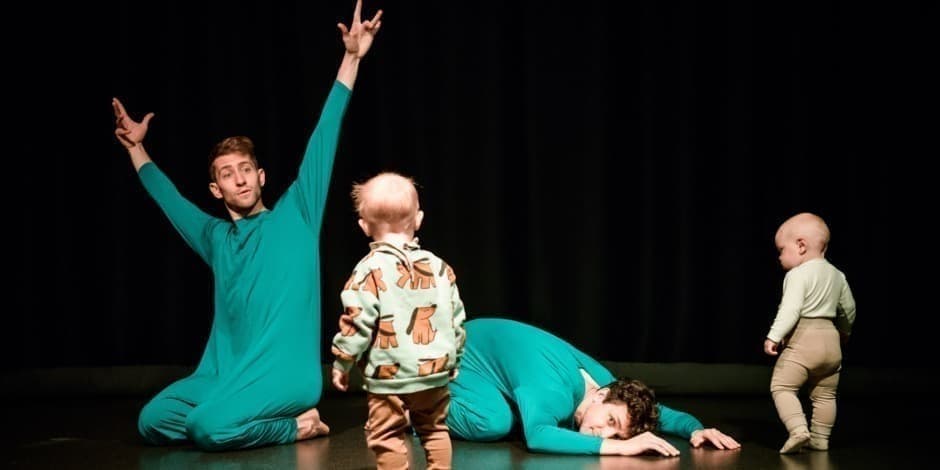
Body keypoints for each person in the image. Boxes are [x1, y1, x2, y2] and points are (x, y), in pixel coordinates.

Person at [111, 0, 382, 451]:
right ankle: (235, 417)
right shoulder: (215, 238)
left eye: (245, 169)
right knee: (152, 420)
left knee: (205, 427)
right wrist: (135, 149)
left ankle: (297, 426)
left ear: (261, 176)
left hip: (285, 376)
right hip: (223, 376)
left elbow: (325, 134)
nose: (238, 178)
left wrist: (351, 58)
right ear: (215, 188)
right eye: (227, 173)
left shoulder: (297, 214)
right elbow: (169, 200)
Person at [446, 318, 741, 456]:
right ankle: (419, 402)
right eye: (611, 422)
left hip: (495, 365)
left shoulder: (610, 388)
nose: (606, 432)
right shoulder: (554, 390)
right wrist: (621, 447)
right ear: (600, 397)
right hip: (459, 356)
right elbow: (537, 435)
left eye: (617, 434)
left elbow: (661, 414)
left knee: (515, 416)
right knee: (493, 422)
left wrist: (696, 429)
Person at [330, 171, 467, 470]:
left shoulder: (367, 270)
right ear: (418, 219)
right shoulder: (439, 267)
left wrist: (343, 362)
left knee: (386, 434)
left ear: (364, 226)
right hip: (434, 371)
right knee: (435, 429)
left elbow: (356, 322)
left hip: (388, 378)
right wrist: (454, 359)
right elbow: (456, 319)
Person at [764, 212, 857, 453]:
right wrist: (845, 332)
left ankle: (798, 430)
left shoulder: (797, 274)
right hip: (832, 341)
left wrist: (774, 335)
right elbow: (849, 309)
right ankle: (820, 439)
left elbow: (791, 309)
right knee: (825, 395)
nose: (779, 257)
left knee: (782, 387)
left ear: (801, 246)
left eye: (781, 250)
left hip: (804, 340)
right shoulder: (838, 275)